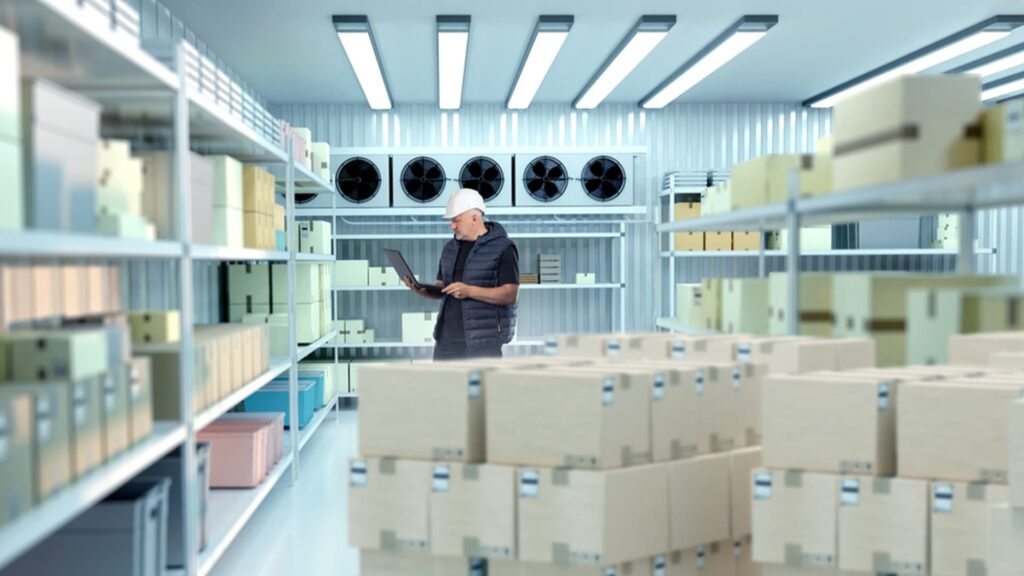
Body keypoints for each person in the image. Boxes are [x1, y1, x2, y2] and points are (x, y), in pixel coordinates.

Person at [403, 188, 519, 361]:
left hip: (482, 345)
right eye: (451, 221)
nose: (452, 225)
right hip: (446, 341)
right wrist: (423, 291)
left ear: (474, 218)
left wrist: (469, 291)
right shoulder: (450, 248)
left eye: (456, 220)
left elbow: (510, 294)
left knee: (479, 389)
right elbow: (443, 288)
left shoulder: (503, 248)